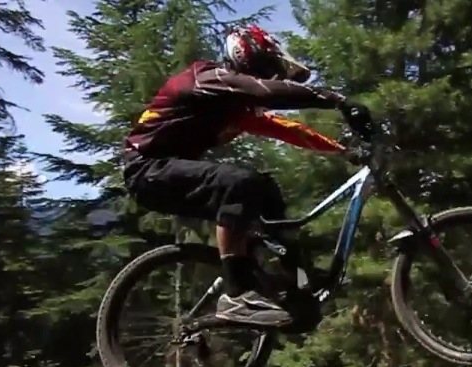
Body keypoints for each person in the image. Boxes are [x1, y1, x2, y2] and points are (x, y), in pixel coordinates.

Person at [122, 24, 371, 327]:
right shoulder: (206, 77)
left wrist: (344, 151)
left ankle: (298, 280)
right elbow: (262, 90)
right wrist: (336, 99)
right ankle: (236, 294)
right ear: (245, 59)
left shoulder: (237, 108)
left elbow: (289, 130)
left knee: (267, 191)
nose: (271, 78)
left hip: (167, 173)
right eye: (267, 70)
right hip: (146, 169)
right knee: (239, 183)